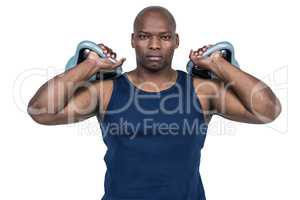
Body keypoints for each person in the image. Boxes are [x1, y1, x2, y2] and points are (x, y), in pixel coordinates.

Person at [27, 6, 281, 200]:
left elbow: (268, 109)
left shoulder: (202, 91)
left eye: (165, 37)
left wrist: (218, 64)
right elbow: (40, 110)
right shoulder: (106, 91)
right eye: (144, 36)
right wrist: (90, 65)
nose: (155, 45)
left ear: (176, 41)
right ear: (133, 39)